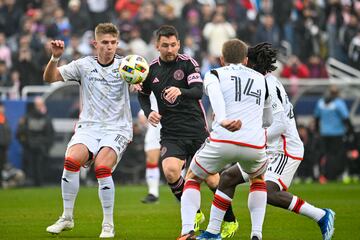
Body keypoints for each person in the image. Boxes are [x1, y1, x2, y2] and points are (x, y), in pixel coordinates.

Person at [199, 42, 335, 240]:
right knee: (228, 178)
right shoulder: (261, 80)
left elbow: (279, 123)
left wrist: (251, 134)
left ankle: (321, 216)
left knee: (269, 191)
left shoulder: (266, 84)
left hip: (284, 149)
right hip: (266, 147)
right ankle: (213, 232)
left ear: (251, 64)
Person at [137, 25, 237, 236]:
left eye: (173, 45)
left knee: (212, 180)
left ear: (179, 44)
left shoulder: (188, 63)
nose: (170, 49)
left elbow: (199, 92)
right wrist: (148, 112)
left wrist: (179, 90)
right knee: (171, 171)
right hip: (171, 132)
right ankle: (194, 212)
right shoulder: (150, 70)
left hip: (195, 130)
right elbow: (143, 94)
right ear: (157, 46)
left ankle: (230, 220)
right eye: (165, 45)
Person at [43, 23, 133, 238]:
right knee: (71, 161)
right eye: (104, 42)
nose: (109, 47)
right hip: (89, 127)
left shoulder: (127, 66)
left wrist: (139, 84)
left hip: (117, 127)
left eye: (113, 43)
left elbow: (144, 82)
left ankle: (108, 224)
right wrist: (55, 58)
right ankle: (67, 217)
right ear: (95, 43)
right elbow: (49, 78)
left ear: (117, 44)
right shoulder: (83, 65)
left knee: (102, 168)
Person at [180, 39, 270, 240]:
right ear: (246, 60)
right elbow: (268, 119)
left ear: (222, 59)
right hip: (254, 144)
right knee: (258, 179)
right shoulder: (262, 79)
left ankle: (187, 232)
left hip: (223, 140)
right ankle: (256, 234)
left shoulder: (214, 74)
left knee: (193, 177)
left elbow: (215, 96)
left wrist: (223, 119)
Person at [314, 85, 353, 182]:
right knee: (336, 155)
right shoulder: (339, 103)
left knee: (325, 155)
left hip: (324, 133)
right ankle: (335, 175)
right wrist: (350, 131)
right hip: (337, 134)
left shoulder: (321, 103)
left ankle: (324, 175)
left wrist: (317, 131)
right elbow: (346, 118)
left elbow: (317, 119)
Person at [16, 96, 54, 186]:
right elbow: (20, 133)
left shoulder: (43, 118)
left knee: (39, 167)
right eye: (39, 105)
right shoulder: (28, 118)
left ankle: (38, 182)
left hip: (39, 148)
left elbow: (50, 134)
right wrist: (26, 144)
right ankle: (34, 182)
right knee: (33, 166)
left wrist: (46, 146)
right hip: (31, 148)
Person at [138, 93, 161, 203]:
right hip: (155, 125)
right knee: (151, 159)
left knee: (179, 159)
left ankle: (182, 191)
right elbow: (146, 98)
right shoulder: (150, 78)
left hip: (173, 122)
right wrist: (142, 113)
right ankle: (153, 193)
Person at [0, 101, 12, 188]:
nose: (2, 109)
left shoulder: (4, 118)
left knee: (2, 165)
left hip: (4, 146)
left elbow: (7, 132)